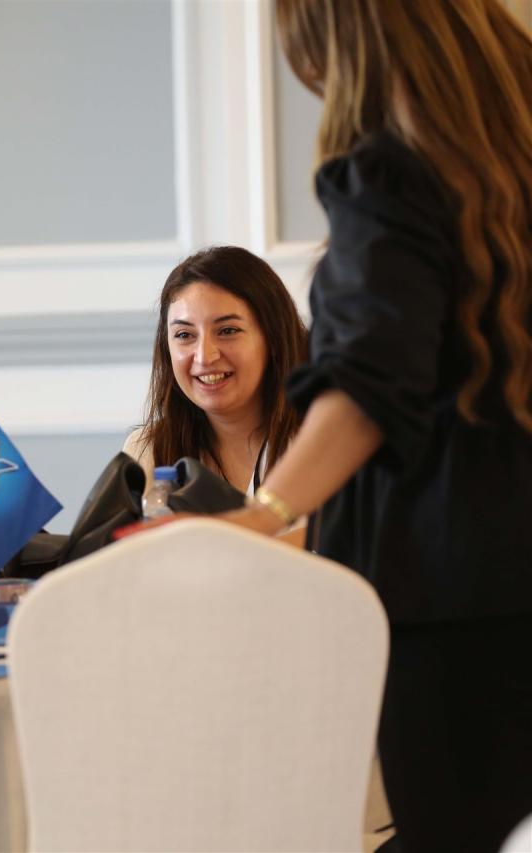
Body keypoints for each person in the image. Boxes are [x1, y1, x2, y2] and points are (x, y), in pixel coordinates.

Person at [213, 2, 532, 848]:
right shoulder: (514, 159)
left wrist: (260, 516)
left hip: (456, 604)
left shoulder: (392, 174)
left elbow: (369, 383)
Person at [123, 245, 308, 496]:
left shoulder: (326, 441)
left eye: (227, 331)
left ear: (273, 338)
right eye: (184, 335)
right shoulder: (146, 451)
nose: (204, 356)